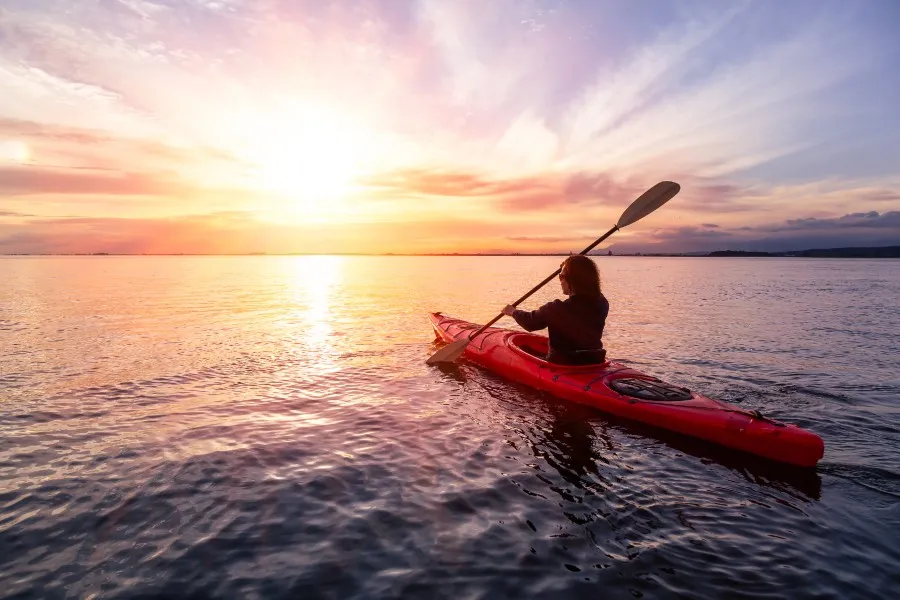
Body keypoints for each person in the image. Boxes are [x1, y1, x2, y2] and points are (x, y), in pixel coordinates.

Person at [501, 255, 609, 365]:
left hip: (564, 364)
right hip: (594, 360)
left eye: (561, 276)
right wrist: (567, 265)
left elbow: (530, 322)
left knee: (526, 348)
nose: (560, 281)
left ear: (572, 280)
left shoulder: (556, 309)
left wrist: (513, 312)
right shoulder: (602, 303)